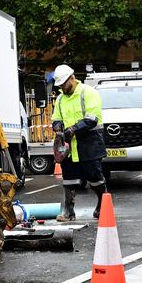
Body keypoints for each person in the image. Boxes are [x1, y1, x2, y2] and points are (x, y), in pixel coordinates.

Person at [50, 63, 107, 220]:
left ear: (72, 78)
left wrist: (72, 129)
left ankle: (103, 206)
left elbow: (92, 119)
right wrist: (58, 127)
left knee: (94, 177)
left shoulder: (89, 93)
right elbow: (56, 119)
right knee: (69, 177)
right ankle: (68, 212)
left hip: (89, 142)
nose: (61, 87)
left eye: (63, 84)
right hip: (68, 145)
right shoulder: (60, 98)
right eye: (59, 85)